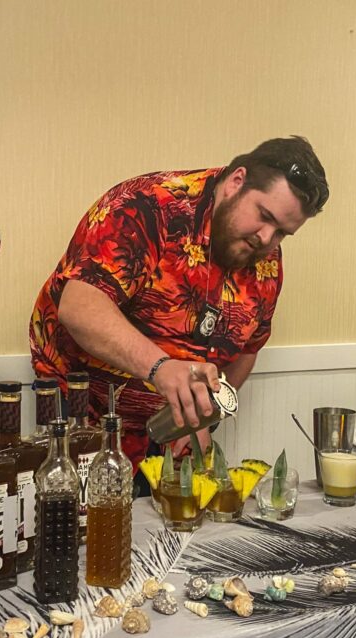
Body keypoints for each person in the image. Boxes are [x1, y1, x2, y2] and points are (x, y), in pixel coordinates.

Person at [29, 136, 329, 474]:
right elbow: (79, 306)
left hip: (170, 436)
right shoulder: (146, 206)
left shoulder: (266, 257)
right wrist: (160, 368)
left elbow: (248, 347)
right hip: (82, 423)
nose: (266, 238)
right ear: (236, 182)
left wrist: (202, 413)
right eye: (264, 216)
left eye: (282, 233)